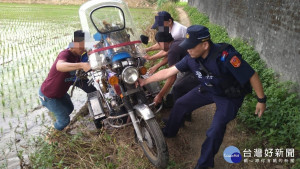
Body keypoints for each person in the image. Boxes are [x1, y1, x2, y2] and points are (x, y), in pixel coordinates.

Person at [138, 25, 267, 169]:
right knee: (180, 103)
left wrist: (261, 100)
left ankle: (204, 164)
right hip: (209, 88)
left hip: (229, 97)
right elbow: (168, 72)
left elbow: (251, 75)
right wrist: (145, 81)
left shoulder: (226, 57)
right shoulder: (191, 58)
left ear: (205, 45)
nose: (188, 50)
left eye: (191, 47)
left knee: (215, 131)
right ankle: (169, 131)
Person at [39, 30, 96, 131]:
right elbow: (59, 66)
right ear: (74, 43)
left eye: (84, 46)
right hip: (49, 95)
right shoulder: (65, 54)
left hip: (61, 93)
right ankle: (52, 134)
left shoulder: (78, 55)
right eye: (81, 47)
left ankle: (58, 120)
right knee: (65, 120)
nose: (83, 49)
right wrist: (82, 65)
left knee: (69, 109)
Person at [150, 31, 199, 106]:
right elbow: (171, 58)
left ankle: (184, 112)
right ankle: (171, 102)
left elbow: (172, 77)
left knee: (177, 88)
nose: (158, 47)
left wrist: (160, 95)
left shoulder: (173, 50)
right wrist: (157, 66)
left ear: (162, 43)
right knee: (176, 84)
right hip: (196, 64)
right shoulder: (176, 42)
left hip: (197, 71)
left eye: (158, 44)